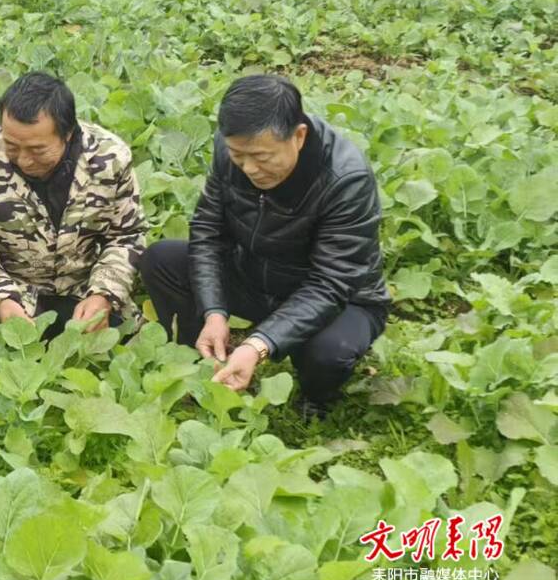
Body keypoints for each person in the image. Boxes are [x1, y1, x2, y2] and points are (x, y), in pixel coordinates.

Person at [140, 74, 391, 417]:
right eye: (238, 156)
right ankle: (203, 358)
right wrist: (213, 311)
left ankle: (316, 397)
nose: (249, 169)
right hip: (255, 275)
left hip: (337, 297)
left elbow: (331, 283)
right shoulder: (232, 152)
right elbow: (208, 231)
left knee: (329, 353)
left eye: (261, 157)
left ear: (298, 136)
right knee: (160, 260)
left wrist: (258, 345)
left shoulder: (346, 179)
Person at [0, 72, 145, 338]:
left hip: (85, 295)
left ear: (68, 133)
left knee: (126, 343)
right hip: (14, 298)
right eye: (12, 146)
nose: (25, 161)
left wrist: (104, 294)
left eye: (38, 150)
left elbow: (127, 237)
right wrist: (1, 300)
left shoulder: (111, 158)